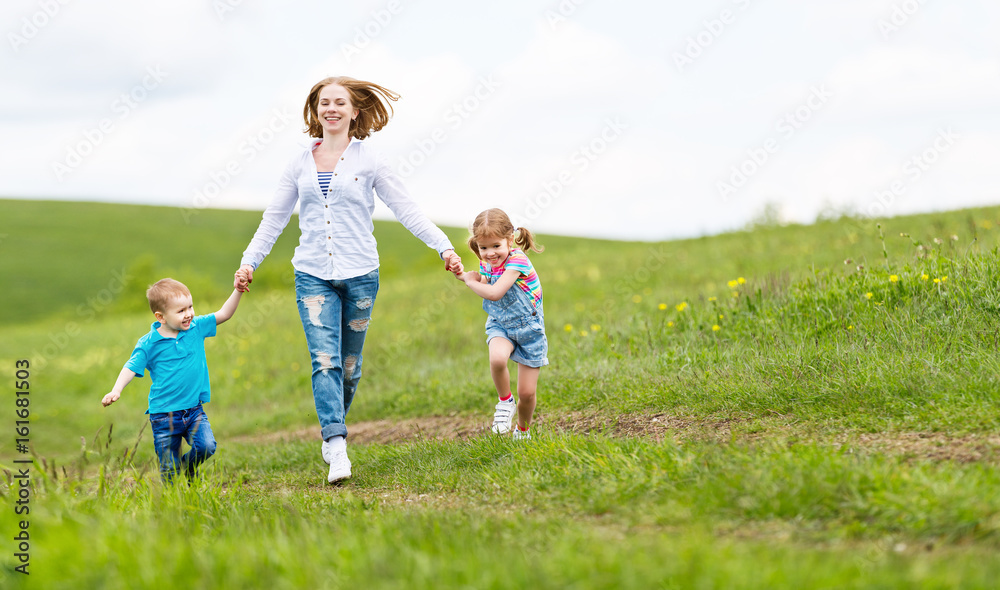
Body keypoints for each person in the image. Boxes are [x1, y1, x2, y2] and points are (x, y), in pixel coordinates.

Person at [235, 76, 462, 483]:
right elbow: (274, 218)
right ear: (315, 110)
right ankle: (337, 446)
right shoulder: (299, 162)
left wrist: (443, 247)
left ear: (355, 111)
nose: (331, 109)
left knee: (350, 367)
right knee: (325, 361)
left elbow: (406, 208)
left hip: (360, 274)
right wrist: (249, 261)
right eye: (324, 103)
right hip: (312, 275)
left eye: (340, 102)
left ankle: (331, 429)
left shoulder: (370, 160)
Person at [101, 276, 245, 482]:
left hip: (194, 409)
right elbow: (130, 367)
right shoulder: (149, 343)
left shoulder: (196, 327)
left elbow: (224, 313)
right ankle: (172, 506)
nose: (189, 314)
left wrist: (238, 290)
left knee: (207, 446)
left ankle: (187, 467)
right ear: (161, 317)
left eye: (190, 307)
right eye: (181, 311)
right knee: (169, 470)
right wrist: (116, 390)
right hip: (163, 415)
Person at [457, 208, 547, 440]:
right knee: (497, 358)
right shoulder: (487, 261)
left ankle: (523, 430)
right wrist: (466, 275)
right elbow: (485, 281)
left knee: (526, 394)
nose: (489, 253)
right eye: (483, 247)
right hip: (500, 324)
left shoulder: (518, 261)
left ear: (509, 240)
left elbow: (495, 293)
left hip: (530, 330)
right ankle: (505, 402)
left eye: (496, 246)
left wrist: (469, 282)